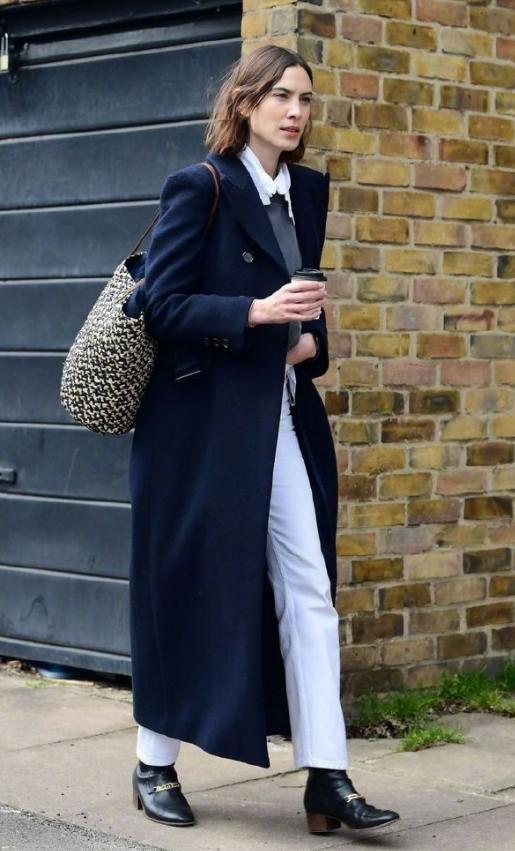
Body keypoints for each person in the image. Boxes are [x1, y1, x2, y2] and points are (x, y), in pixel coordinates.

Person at [124, 44, 400, 836]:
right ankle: (152, 761)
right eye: (280, 96)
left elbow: (304, 306)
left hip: (277, 418)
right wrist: (253, 315)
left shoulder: (304, 192)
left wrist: (307, 339)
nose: (294, 111)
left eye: (305, 99)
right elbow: (159, 305)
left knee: (308, 585)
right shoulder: (200, 186)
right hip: (198, 429)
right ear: (244, 103)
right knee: (186, 584)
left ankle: (327, 776)